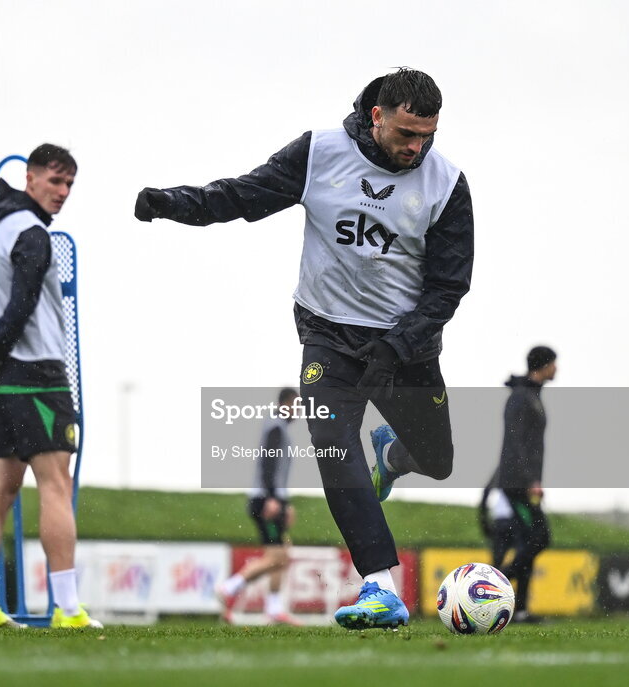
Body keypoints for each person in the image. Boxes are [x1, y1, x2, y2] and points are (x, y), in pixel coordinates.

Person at [135, 68, 474, 629]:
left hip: (403, 346)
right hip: (328, 335)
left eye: (428, 136)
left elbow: (448, 287)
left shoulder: (446, 183)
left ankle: (391, 455)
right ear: (377, 116)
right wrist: (177, 203)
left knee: (437, 461)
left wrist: (398, 347)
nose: (417, 148)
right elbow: (244, 194)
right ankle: (380, 589)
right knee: (334, 446)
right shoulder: (320, 153)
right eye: (407, 134)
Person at [0, 143, 101, 631]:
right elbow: (19, 307)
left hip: (2, 380)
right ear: (31, 178)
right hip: (37, 376)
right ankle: (67, 608)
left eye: (69, 186)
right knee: (56, 487)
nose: (62, 193)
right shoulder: (34, 233)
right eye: (55, 181)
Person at [479, 345, 556, 623]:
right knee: (539, 538)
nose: (557, 369)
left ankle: (520, 609)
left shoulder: (532, 395)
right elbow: (515, 445)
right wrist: (529, 481)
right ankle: (490, 585)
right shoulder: (521, 398)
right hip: (517, 485)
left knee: (529, 540)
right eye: (554, 364)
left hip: (523, 483)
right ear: (544, 365)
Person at [216, 388, 301, 626]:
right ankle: (228, 588)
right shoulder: (275, 426)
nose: (299, 411)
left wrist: (285, 503)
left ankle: (274, 608)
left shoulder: (279, 427)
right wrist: (273, 500)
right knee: (276, 556)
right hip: (265, 500)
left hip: (273, 498)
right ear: (287, 403)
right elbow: (267, 464)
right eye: (297, 405)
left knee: (282, 554)